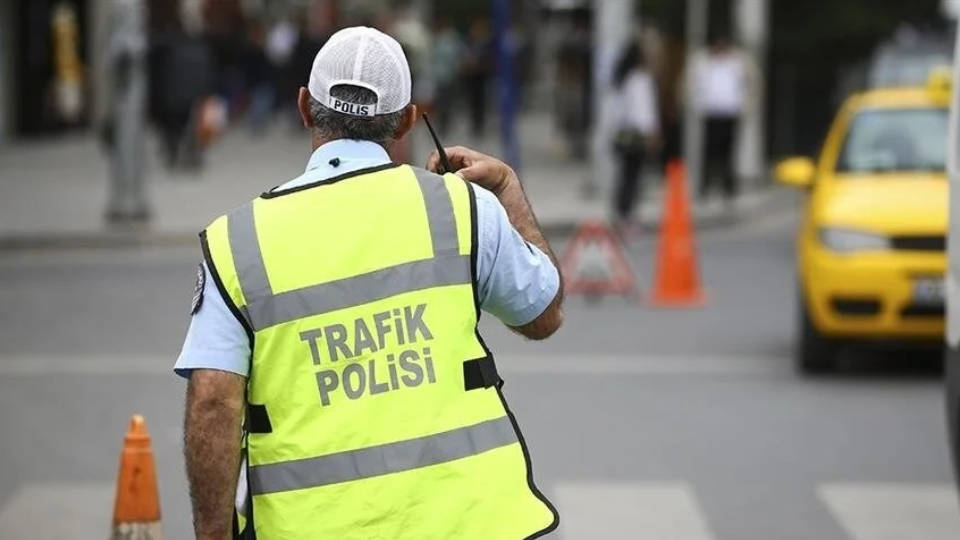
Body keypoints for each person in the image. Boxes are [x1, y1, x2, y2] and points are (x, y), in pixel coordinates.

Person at [175, 27, 563, 539]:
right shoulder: (461, 209)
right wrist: (507, 189)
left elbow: (212, 401)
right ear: (406, 119)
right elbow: (544, 313)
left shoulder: (238, 243)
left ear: (303, 107)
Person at [692, 33, 746, 204]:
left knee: (728, 153)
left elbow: (747, 85)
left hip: (730, 113)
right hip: (711, 112)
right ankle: (705, 186)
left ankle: (728, 188)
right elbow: (696, 85)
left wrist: (743, 106)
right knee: (709, 152)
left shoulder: (736, 63)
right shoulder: (704, 63)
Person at [610, 40, 659, 226]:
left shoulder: (623, 79)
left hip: (623, 133)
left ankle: (621, 212)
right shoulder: (640, 79)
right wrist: (651, 133)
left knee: (625, 175)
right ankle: (627, 215)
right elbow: (642, 111)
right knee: (633, 176)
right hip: (636, 135)